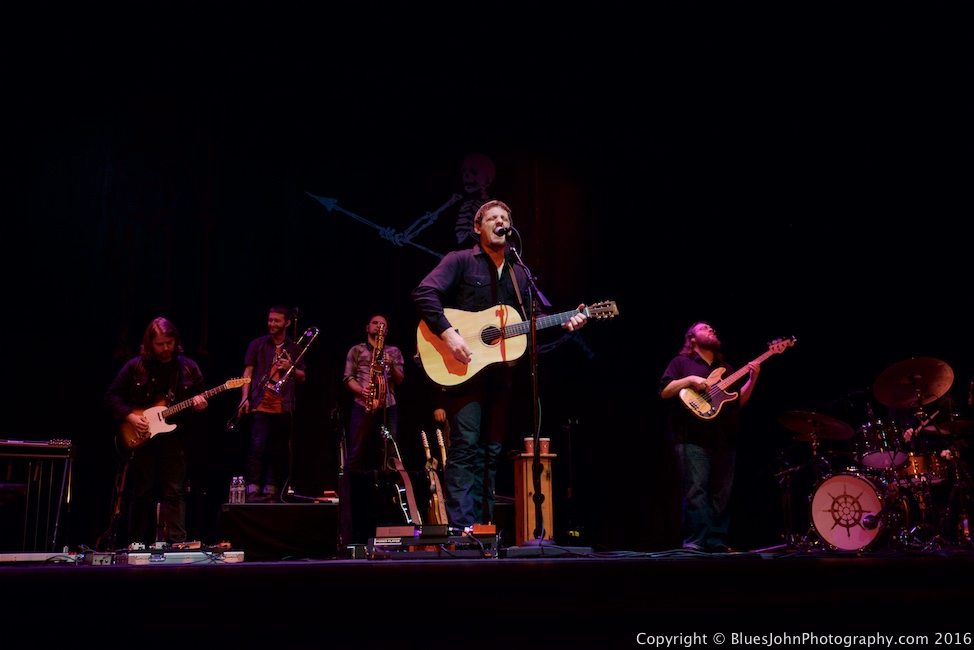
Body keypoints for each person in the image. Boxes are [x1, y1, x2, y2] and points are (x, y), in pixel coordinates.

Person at [411, 199, 587, 528]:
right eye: (492, 217)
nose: (500, 221)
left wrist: (564, 322)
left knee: (489, 454)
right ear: (478, 227)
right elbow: (424, 293)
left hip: (501, 376)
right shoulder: (461, 260)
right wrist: (449, 334)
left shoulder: (521, 273)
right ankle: (462, 531)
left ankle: (484, 529)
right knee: (464, 448)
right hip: (463, 370)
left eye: (505, 217)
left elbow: (530, 325)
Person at [104, 317, 209, 547]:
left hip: (174, 439)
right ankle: (136, 543)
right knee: (141, 492)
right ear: (149, 343)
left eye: (169, 343)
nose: (165, 348)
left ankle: (177, 544)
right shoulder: (135, 366)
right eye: (160, 344)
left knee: (175, 492)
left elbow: (200, 399)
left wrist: (201, 406)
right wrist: (131, 417)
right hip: (141, 437)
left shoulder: (188, 367)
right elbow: (111, 395)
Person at [659, 321, 760, 553]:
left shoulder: (726, 367)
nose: (711, 329)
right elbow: (665, 391)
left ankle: (717, 541)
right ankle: (695, 542)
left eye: (712, 328)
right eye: (705, 328)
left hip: (724, 438)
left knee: (722, 493)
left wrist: (752, 379)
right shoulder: (681, 363)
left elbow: (737, 403)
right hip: (691, 438)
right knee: (695, 491)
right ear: (692, 339)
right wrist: (691, 380)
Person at [235, 305, 306, 503]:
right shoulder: (257, 344)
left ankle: (271, 490)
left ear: (287, 323)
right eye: (270, 320)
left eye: (276, 320)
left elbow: (302, 376)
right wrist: (244, 399)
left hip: (283, 406)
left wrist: (290, 366)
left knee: (277, 450)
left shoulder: (294, 347)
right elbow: (247, 374)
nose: (271, 324)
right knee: (257, 447)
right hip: (260, 403)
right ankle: (252, 490)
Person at [342, 312, 405, 471]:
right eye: (375, 323)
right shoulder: (356, 350)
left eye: (382, 324)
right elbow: (348, 378)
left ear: (386, 331)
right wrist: (362, 390)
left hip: (388, 405)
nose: (378, 326)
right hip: (363, 403)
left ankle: (391, 492)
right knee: (356, 451)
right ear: (367, 327)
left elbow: (400, 380)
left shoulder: (393, 351)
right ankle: (352, 493)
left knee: (391, 451)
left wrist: (390, 365)